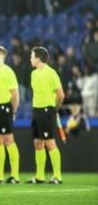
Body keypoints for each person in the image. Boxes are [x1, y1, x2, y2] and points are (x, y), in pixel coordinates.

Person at [28, 46, 64, 184]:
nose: (30, 59)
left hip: (47, 111)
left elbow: (60, 94)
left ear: (38, 58)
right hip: (36, 111)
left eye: (32, 56)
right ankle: (39, 176)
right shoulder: (34, 74)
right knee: (38, 143)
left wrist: (54, 108)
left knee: (50, 142)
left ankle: (57, 176)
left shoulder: (51, 73)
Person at [0, 45, 21, 184]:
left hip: (5, 108)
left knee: (8, 140)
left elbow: (15, 94)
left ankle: (15, 175)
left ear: (1, 56)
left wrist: (13, 110)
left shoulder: (8, 72)